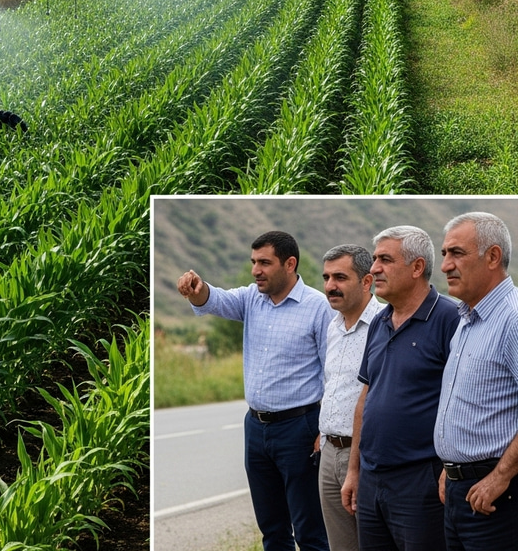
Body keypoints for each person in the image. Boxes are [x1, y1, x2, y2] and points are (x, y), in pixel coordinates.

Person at [178, 229, 332, 551]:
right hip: (256, 428)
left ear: (289, 264)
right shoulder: (251, 299)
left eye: (264, 262)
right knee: (272, 530)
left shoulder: (318, 307)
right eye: (253, 262)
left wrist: (324, 429)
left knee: (309, 530)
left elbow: (332, 372)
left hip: (300, 429)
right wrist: (197, 289)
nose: (255, 270)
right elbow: (214, 299)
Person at [341, 225, 458, 551]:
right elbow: (367, 396)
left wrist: (450, 467)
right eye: (374, 259)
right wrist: (354, 471)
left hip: (421, 480)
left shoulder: (449, 319)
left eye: (384, 260)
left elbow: (464, 398)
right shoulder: (379, 322)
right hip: (372, 477)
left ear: (417, 267)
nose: (374, 268)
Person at [434, 212, 518, 549]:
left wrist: (500, 476)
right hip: (460, 490)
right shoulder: (467, 319)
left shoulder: (512, 319)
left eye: (457, 253)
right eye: (444, 254)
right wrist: (451, 466)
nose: (445, 265)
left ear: (493, 257)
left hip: (497, 494)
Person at [318, 244, 384, 551]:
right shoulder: (332, 326)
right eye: (327, 277)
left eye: (340, 277)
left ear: (367, 281)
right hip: (329, 451)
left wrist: (355, 461)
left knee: (372, 542)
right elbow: (334, 383)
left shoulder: (386, 323)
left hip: (362, 454)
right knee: (341, 545)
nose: (330, 286)